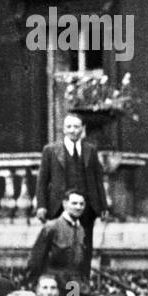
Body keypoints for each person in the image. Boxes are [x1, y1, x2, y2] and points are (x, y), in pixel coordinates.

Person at [36, 113, 108, 277]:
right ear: (63, 129)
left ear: (82, 129)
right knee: (60, 251)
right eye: (69, 127)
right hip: (59, 208)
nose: (73, 131)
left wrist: (103, 206)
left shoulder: (90, 150)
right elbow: (42, 181)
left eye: (76, 127)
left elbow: (98, 180)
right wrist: (41, 206)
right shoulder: (51, 150)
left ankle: (79, 292)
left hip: (86, 208)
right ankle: (62, 294)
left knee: (83, 250)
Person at [27, 189, 87, 288]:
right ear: (65, 204)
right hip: (53, 284)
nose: (78, 207)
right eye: (74, 203)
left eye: (81, 204)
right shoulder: (51, 227)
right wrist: (33, 283)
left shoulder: (81, 230)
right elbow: (36, 259)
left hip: (73, 285)